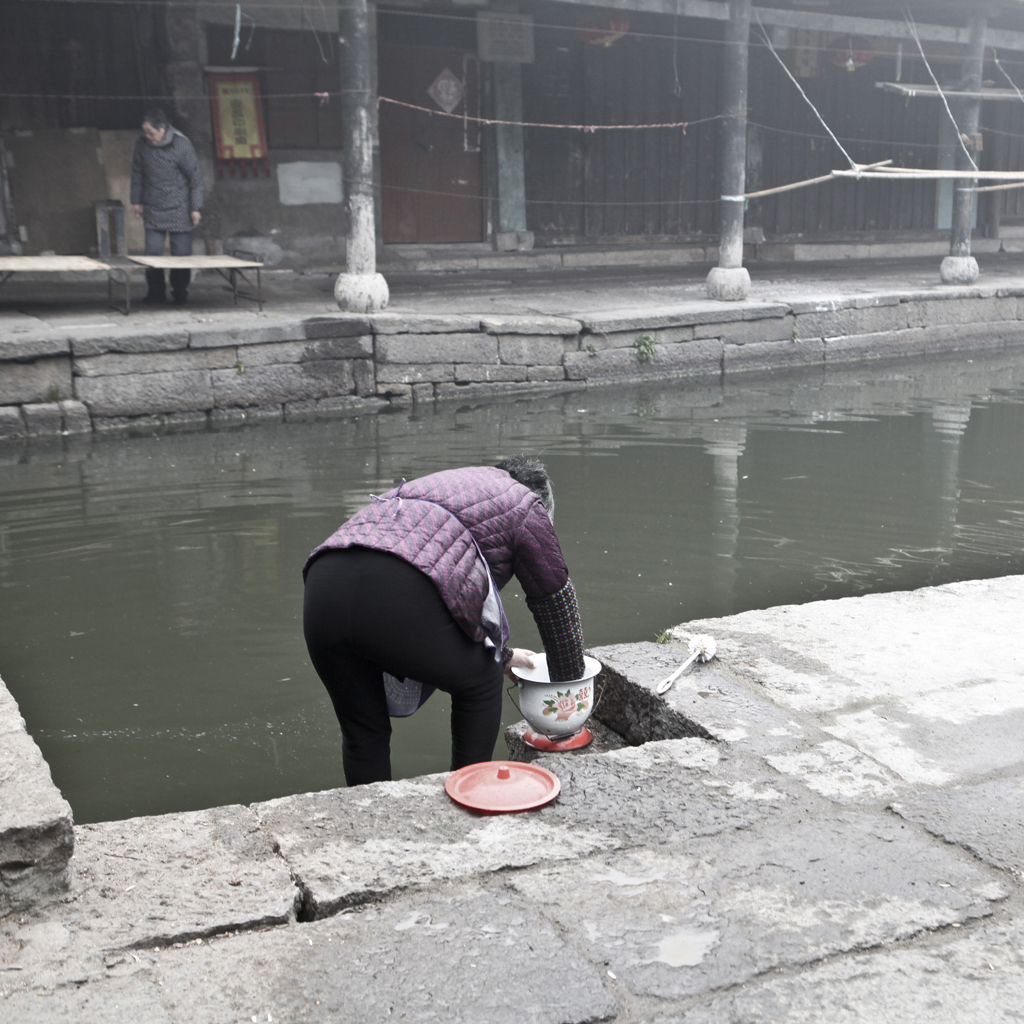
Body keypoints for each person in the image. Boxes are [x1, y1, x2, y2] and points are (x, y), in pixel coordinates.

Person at [302, 457, 586, 787]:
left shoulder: (458, 486)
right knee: (482, 683)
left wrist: (503, 655)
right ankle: (468, 803)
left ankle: (369, 828)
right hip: (393, 586)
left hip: (323, 586)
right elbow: (556, 603)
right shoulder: (525, 503)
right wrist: (567, 698)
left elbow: (450, 591)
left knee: (363, 730)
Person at [130, 108, 204, 305]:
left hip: (180, 206)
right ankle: (156, 292)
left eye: (151, 132)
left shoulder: (181, 145)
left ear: (162, 128)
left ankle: (180, 292)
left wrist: (195, 207)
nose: (147, 136)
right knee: (152, 254)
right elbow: (137, 174)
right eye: (144, 132)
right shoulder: (142, 145)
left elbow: (195, 178)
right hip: (153, 206)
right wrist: (136, 201)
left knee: (181, 255)